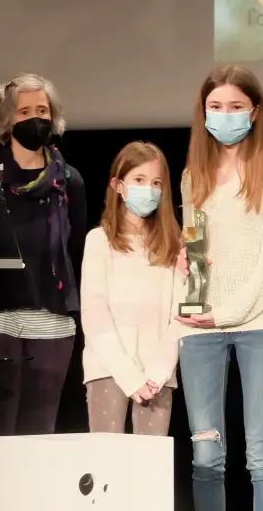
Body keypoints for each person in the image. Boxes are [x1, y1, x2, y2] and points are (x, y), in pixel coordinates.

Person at [173, 64, 263, 511]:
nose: (224, 115)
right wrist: (185, 270)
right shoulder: (195, 175)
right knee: (206, 457)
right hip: (199, 327)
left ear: (255, 111)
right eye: (215, 106)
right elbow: (196, 247)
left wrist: (226, 313)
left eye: (235, 106)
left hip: (260, 324)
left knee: (262, 454)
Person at [0, 73, 87, 510]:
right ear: (3, 121)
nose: (35, 119)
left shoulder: (69, 180)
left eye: (43, 112)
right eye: (25, 112)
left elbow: (74, 248)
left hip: (51, 322)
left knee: (37, 435)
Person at [80, 140, 184, 435]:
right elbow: (94, 313)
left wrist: (158, 372)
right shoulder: (99, 241)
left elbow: (180, 315)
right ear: (118, 185)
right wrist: (127, 374)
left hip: (158, 376)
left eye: (156, 182)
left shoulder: (174, 246)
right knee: (106, 468)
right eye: (139, 180)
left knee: (149, 469)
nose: (148, 189)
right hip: (108, 370)